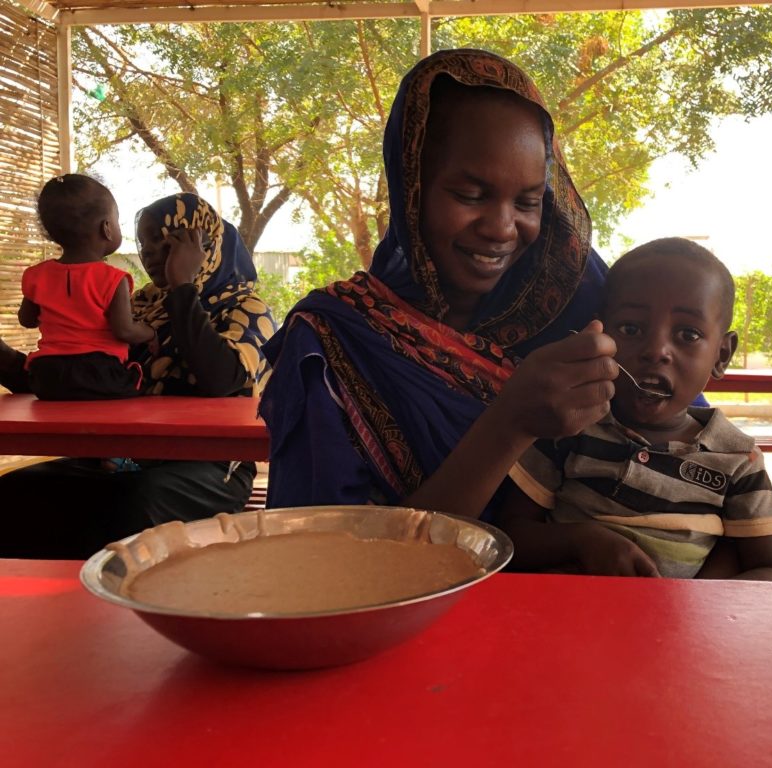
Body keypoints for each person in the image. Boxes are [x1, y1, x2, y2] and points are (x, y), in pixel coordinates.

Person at [260, 49, 620, 518]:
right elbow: (324, 555)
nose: (503, 227)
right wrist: (509, 424)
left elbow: (682, 424)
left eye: (529, 202)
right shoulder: (333, 343)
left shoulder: (574, 289)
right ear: (412, 187)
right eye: (470, 195)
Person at [497, 238, 772, 580]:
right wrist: (582, 540)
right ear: (598, 334)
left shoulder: (738, 460)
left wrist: (697, 605)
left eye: (688, 334)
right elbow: (510, 538)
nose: (656, 350)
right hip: (569, 622)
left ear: (722, 355)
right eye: (631, 329)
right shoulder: (566, 429)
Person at [0, 192, 276, 558]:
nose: (154, 257)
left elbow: (221, 380)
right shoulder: (138, 304)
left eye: (171, 244)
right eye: (147, 247)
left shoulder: (244, 308)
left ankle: (110, 606)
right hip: (119, 456)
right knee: (17, 492)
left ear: (204, 246)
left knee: (135, 501)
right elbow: (83, 378)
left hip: (210, 467)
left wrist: (183, 289)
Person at [15, 174, 156, 400]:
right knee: (143, 380)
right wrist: (150, 332)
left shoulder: (35, 275)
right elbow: (124, 331)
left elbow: (27, 320)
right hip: (99, 374)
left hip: (46, 377)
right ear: (107, 228)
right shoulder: (113, 278)